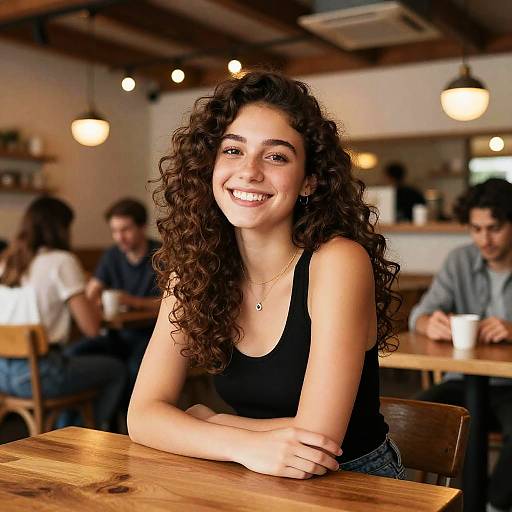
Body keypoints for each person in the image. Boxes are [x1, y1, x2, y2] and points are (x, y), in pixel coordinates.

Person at [128, 71, 403, 480]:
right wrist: (241, 443)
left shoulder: (338, 262)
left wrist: (210, 422)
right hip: (251, 470)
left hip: (353, 482)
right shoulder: (192, 271)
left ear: (309, 180)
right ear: (210, 166)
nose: (250, 171)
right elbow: (142, 417)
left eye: (276, 156)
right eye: (233, 151)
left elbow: (315, 442)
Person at [409, 178, 512, 512]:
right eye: (476, 228)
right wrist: (429, 322)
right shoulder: (460, 260)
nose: (484, 239)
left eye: (494, 228)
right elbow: (419, 315)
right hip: (461, 381)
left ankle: (495, 505)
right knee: (411, 419)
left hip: (509, 385)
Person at [0, 197, 126, 430]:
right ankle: (78, 435)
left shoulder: (8, 261)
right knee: (116, 369)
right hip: (39, 374)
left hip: (3, 376)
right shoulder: (62, 261)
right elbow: (91, 328)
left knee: (74, 361)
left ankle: (66, 428)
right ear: (60, 228)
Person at [68, 198, 160, 390]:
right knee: (72, 354)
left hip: (152, 335)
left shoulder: (161, 254)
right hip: (116, 334)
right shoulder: (112, 255)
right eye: (115, 231)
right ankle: (101, 418)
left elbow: (173, 303)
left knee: (135, 369)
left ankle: (131, 418)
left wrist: (131, 301)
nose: (119, 237)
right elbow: (91, 292)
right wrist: (94, 301)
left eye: (125, 230)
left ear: (142, 227)